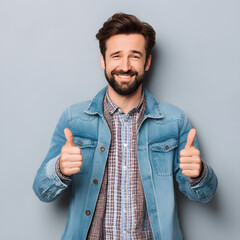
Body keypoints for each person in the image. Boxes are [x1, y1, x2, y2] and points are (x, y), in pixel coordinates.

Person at [33, 13, 218, 240]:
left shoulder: (175, 121)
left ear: (147, 62)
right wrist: (60, 169)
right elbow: (42, 191)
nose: (125, 66)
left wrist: (198, 173)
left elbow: (205, 195)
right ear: (103, 60)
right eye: (116, 56)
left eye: (135, 56)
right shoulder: (73, 119)